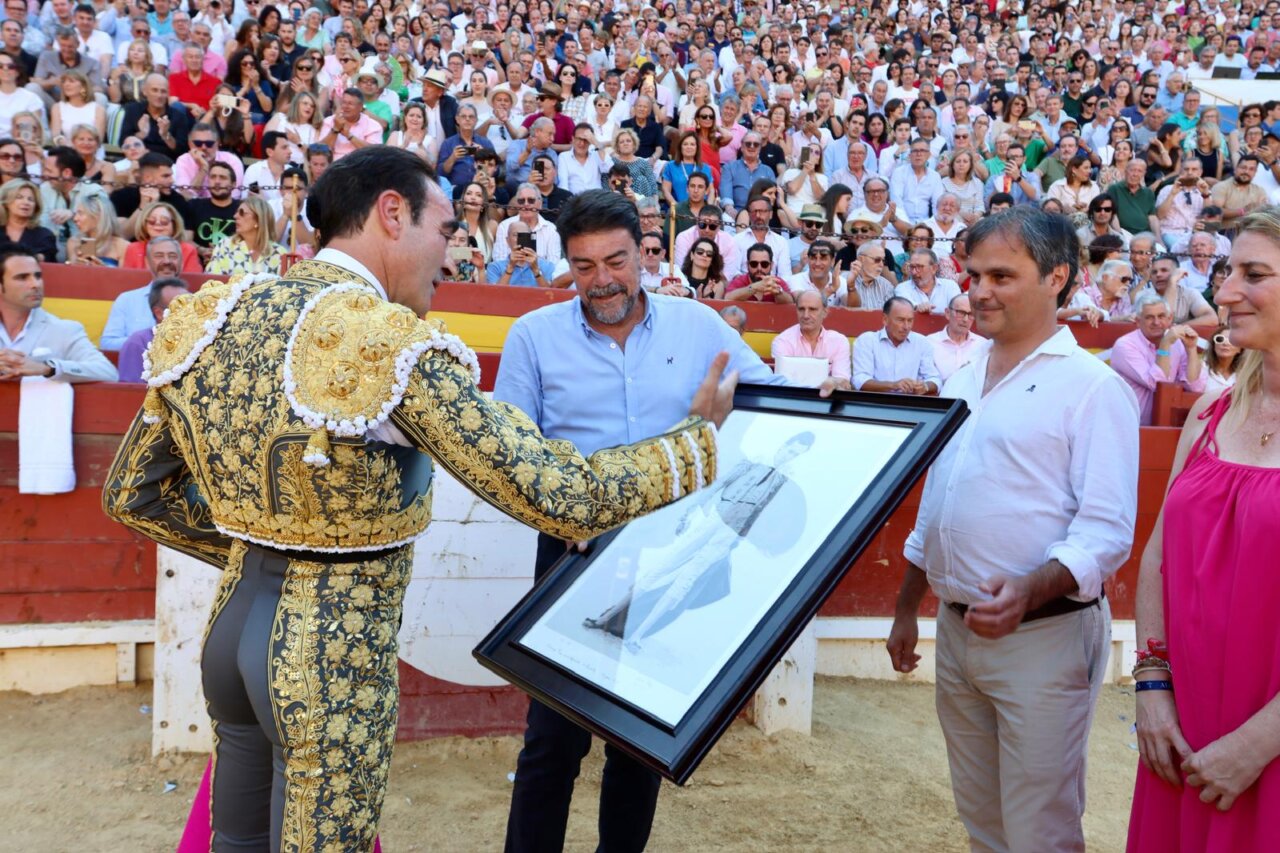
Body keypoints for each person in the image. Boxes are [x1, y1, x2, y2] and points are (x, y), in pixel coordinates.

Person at [104, 150, 731, 853]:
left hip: (232, 630)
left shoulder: (223, 311)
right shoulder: (385, 341)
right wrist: (693, 446)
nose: (451, 254)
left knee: (239, 840)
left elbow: (134, 494)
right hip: (328, 642)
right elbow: (559, 496)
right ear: (392, 213)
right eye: (443, 228)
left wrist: (266, 549)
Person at [494, 187, 783, 853]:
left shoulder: (701, 326)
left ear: (645, 252)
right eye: (585, 266)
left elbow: (774, 398)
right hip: (572, 552)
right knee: (552, 739)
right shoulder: (532, 336)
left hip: (673, 549)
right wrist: (557, 511)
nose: (602, 281)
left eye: (617, 261)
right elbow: (511, 452)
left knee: (639, 736)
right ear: (566, 263)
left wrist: (815, 387)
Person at [888, 206, 1138, 853]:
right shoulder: (963, 376)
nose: (979, 290)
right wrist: (908, 605)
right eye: (974, 274)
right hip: (956, 628)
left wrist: (1029, 588)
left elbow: (1107, 531)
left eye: (1002, 274)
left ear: (1058, 277)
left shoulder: (1092, 387)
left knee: (1039, 832)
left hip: (1044, 635)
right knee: (983, 823)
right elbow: (937, 503)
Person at [1127, 209, 1280, 852]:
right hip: (1181, 733)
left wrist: (1257, 745)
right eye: (1227, 273)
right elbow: (1158, 556)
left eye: (1255, 274)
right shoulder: (1209, 413)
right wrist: (1153, 690)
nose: (1225, 292)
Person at [0, 247, 116, 382]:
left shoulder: (65, 330)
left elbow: (108, 372)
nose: (35, 284)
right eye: (22, 278)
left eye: (38, 276)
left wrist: (48, 368)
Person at [1111, 293, 1207, 426]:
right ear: (1138, 322)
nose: (1156, 322)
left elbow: (1195, 387)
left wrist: (1191, 349)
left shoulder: (1178, 343)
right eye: (1149, 317)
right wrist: (1165, 345)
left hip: (1168, 424)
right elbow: (1157, 384)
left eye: (1161, 316)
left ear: (1169, 319)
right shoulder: (1125, 345)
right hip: (1130, 425)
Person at [100, 235, 184, 351]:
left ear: (181, 262)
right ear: (147, 262)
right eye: (159, 256)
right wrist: (151, 340)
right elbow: (107, 344)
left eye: (172, 256)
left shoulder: (197, 302)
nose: (166, 261)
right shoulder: (127, 300)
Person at [852, 296, 940, 394]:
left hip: (910, 405)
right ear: (885, 319)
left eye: (910, 320)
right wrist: (893, 385)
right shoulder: (867, 340)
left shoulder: (922, 342)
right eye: (900, 320)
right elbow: (859, 380)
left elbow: (934, 378)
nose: (906, 327)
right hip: (875, 404)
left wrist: (925, 387)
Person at [115, 277, 190, 383]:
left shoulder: (201, 339)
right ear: (159, 313)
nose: (190, 313)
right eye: (181, 307)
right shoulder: (138, 343)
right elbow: (132, 392)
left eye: (191, 306)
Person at [771, 290, 851, 387]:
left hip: (827, 399)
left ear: (825, 312)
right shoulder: (782, 341)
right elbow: (783, 384)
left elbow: (843, 381)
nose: (806, 315)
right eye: (801, 309)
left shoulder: (839, 341)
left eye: (812, 309)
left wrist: (833, 383)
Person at [206, 194, 287, 276]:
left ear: (258, 219)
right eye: (236, 212)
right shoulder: (225, 246)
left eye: (242, 212)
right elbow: (212, 282)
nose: (235, 216)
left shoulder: (280, 253)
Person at [122, 201, 201, 272]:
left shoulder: (188, 250)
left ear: (174, 224)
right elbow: (128, 281)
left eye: (164, 221)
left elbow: (193, 282)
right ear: (144, 224)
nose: (158, 224)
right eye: (152, 221)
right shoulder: (133, 248)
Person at [927, 294, 986, 383]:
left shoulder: (983, 345)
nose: (965, 319)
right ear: (947, 313)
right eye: (961, 313)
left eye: (970, 314)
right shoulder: (929, 343)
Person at [0, 178, 56, 261]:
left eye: (31, 199)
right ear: (6, 202)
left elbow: (44, 259)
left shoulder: (44, 235)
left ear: (36, 206)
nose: (26, 202)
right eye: (19, 197)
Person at [485, 220, 555, 287]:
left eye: (523, 235)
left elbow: (549, 293)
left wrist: (536, 270)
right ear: (507, 240)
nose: (519, 239)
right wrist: (510, 267)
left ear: (530, 238)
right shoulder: (495, 267)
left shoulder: (547, 266)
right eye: (515, 235)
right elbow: (496, 293)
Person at [725, 243, 795, 304]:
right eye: (754, 264)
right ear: (747, 265)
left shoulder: (777, 282)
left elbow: (791, 303)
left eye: (764, 264)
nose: (759, 268)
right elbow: (727, 298)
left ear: (772, 265)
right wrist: (753, 288)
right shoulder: (739, 281)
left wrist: (778, 293)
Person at [1202, 323, 1244, 394]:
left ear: (1239, 349)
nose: (1225, 343)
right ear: (1214, 346)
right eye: (1220, 339)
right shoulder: (1202, 367)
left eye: (1231, 340)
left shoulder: (1243, 373)